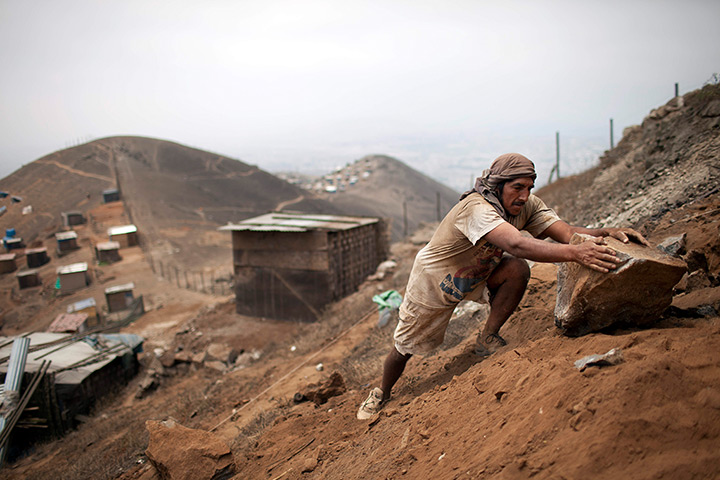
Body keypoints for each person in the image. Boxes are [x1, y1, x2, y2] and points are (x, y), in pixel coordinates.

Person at [357, 153, 649, 420]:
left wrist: (604, 232)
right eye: (517, 187)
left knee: (516, 270)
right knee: (404, 347)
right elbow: (516, 243)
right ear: (498, 185)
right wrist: (576, 253)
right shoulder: (475, 208)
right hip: (434, 282)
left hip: (478, 273)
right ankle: (381, 392)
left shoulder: (527, 206)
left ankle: (487, 338)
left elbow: (566, 232)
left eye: (529, 188)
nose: (524, 196)